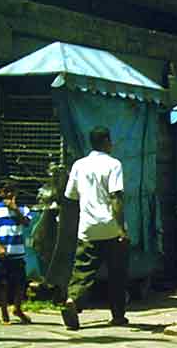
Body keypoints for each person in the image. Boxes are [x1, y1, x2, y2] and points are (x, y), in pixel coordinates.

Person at [60, 126, 128, 330]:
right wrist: (122, 229)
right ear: (106, 141)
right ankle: (118, 316)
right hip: (110, 227)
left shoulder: (79, 165)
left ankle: (72, 300)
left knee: (83, 270)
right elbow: (116, 197)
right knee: (117, 273)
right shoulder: (114, 164)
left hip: (88, 228)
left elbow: (70, 196)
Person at [0, 180, 33, 325]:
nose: (9, 194)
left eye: (11, 191)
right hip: (0, 253)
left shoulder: (22, 209)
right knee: (2, 283)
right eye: (5, 191)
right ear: (1, 193)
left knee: (20, 283)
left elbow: (27, 223)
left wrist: (15, 209)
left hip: (17, 252)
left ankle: (17, 308)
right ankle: (4, 311)